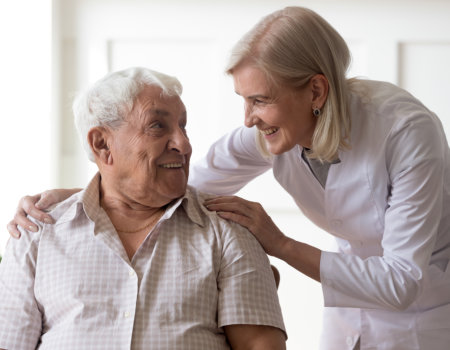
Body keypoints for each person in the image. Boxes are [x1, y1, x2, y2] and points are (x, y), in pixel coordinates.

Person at [6, 6, 450, 350]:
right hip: (350, 309)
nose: (249, 119)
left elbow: (401, 281)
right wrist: (90, 197)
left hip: (422, 307)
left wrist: (282, 245)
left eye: (259, 99)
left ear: (315, 91)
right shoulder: (270, 130)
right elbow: (177, 179)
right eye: (243, 99)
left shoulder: (407, 132)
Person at [0, 67, 286, 349]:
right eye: (158, 126)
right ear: (102, 144)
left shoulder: (228, 231)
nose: (184, 144)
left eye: (183, 126)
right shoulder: (36, 233)